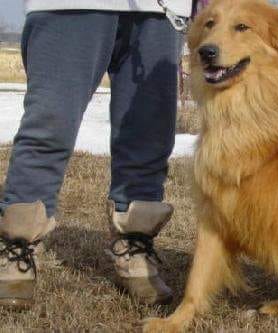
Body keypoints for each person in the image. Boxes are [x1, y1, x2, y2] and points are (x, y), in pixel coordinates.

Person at [0, 0, 192, 309]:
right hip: (69, 5)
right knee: (51, 122)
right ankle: (19, 246)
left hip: (161, 8)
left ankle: (135, 245)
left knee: (148, 131)